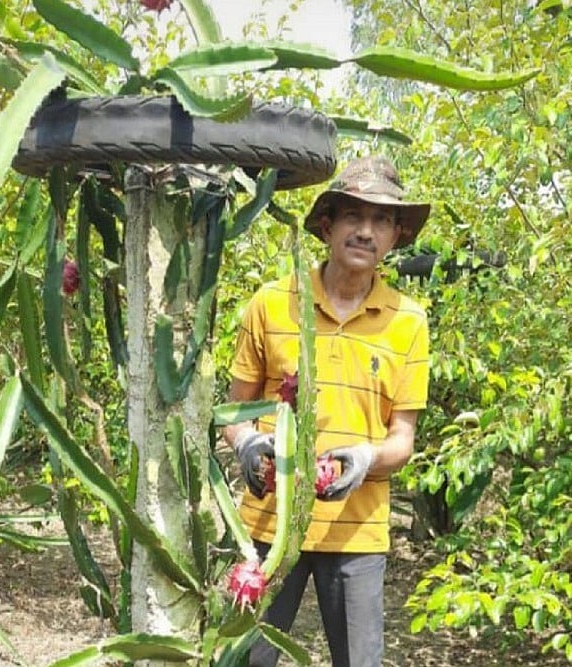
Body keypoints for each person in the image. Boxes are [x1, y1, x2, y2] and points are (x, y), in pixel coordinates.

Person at [222, 155, 431, 667]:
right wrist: (248, 442)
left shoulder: (408, 321)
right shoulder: (272, 304)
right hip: (269, 524)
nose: (366, 231)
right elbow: (235, 410)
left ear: (397, 235)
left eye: (381, 220)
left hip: (356, 531)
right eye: (353, 216)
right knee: (243, 658)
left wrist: (365, 460)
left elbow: (402, 439)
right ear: (326, 224)